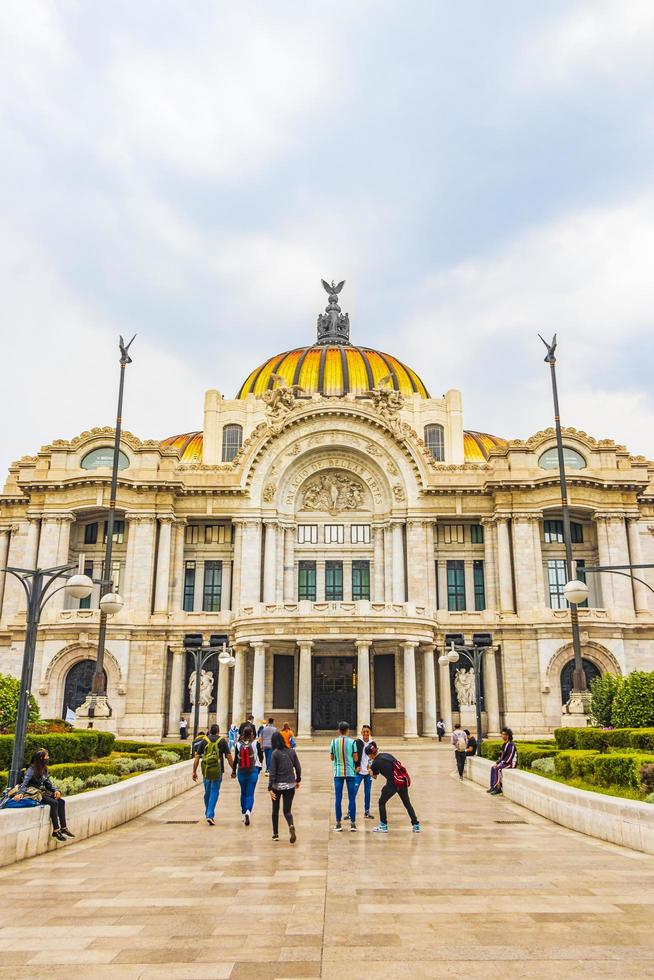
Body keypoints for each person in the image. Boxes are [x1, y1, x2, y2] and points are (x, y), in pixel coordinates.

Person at [13, 749, 74, 842]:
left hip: (40, 792)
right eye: (46, 756)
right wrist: (20, 793)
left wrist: (56, 790)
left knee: (61, 801)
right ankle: (56, 831)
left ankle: (64, 828)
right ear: (41, 758)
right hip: (33, 793)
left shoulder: (44, 768)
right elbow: (24, 783)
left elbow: (48, 784)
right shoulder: (31, 769)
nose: (48, 758)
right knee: (54, 803)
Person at [367, 742, 420, 834]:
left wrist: (369, 770)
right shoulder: (386, 755)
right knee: (407, 803)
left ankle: (383, 825)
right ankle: (416, 825)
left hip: (393, 784)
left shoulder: (375, 763)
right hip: (401, 781)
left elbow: (374, 777)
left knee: (381, 802)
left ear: (370, 754)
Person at [192, 723, 233, 825]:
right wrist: (234, 769)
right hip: (218, 770)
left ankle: (208, 813)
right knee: (215, 791)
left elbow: (197, 756)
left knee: (207, 792)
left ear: (210, 731)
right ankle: (210, 814)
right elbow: (229, 756)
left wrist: (194, 771)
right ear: (218, 731)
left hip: (206, 769)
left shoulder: (204, 740)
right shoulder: (222, 741)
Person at [268, 731, 301, 843]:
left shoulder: (275, 753)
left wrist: (270, 787)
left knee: (275, 810)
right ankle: (291, 825)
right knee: (287, 811)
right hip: (290, 785)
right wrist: (298, 779)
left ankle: (275, 834)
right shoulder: (291, 751)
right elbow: (298, 767)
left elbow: (272, 772)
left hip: (277, 786)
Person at [231, 723, 263, 824]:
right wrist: (260, 766)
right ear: (252, 733)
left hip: (241, 771)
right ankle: (248, 811)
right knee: (250, 793)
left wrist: (233, 771)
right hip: (253, 771)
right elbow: (261, 757)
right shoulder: (255, 743)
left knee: (243, 793)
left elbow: (236, 759)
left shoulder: (238, 744)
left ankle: (243, 813)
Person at [330, 720, 358, 832]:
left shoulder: (333, 742)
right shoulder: (353, 742)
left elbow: (332, 758)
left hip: (338, 773)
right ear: (348, 730)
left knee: (338, 798)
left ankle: (338, 823)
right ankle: (353, 824)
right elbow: (355, 757)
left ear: (338, 730)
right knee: (352, 798)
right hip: (350, 772)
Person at [488, 727, 518, 796]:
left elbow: (509, 757)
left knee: (498, 769)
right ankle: (493, 787)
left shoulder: (511, 745)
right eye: (501, 734)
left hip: (510, 763)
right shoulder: (504, 744)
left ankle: (498, 788)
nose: (502, 736)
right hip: (505, 762)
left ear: (507, 735)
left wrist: (502, 763)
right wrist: (498, 762)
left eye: (503, 734)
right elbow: (502, 756)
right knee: (493, 767)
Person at [354, 724, 375, 819]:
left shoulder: (373, 743)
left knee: (367, 792)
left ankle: (367, 812)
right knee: (353, 791)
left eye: (367, 731)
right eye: (364, 731)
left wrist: (373, 769)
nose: (366, 733)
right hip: (358, 772)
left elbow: (375, 757)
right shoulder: (357, 742)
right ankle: (350, 812)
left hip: (368, 773)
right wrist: (355, 767)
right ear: (361, 732)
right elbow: (352, 755)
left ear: (370, 732)